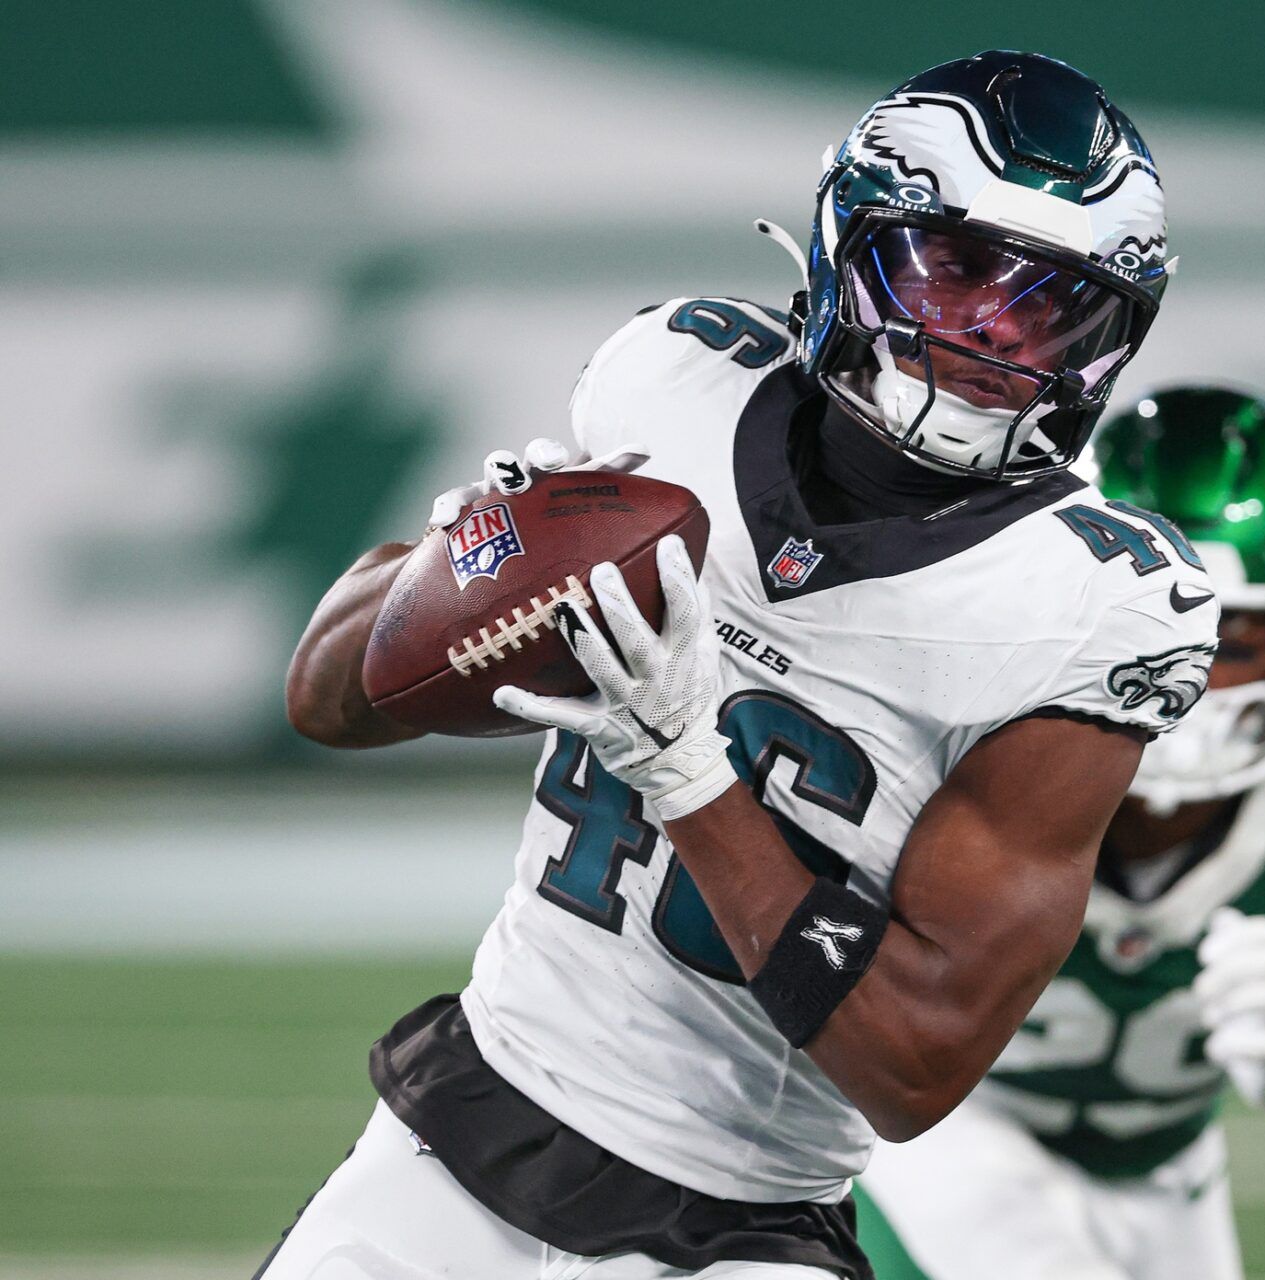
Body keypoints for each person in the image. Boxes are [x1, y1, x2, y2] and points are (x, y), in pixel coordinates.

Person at [265, 52, 1216, 1280]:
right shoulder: (675, 378)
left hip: (736, 1223)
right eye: (959, 267)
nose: (993, 328)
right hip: (458, 1133)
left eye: (1052, 302)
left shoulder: (1090, 600)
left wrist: (687, 771)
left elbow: (914, 1063)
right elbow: (327, 696)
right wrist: (473, 571)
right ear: (848, 243)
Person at [857, 387, 1265, 1280]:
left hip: (1163, 1179)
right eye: (1143, 624)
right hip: (910, 1133)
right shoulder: (946, 715)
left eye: (1230, 640)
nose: (1179, 678)